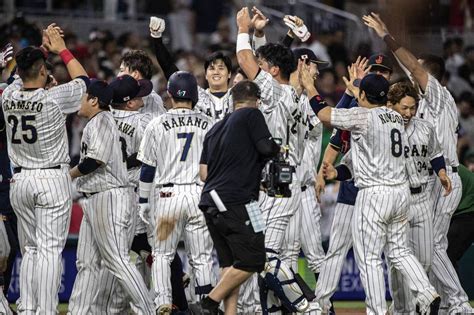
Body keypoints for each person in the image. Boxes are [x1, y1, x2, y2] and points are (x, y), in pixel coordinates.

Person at [303, 65, 441, 314]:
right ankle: (427, 292)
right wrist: (339, 172)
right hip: (400, 193)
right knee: (399, 250)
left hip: (374, 194)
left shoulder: (362, 116)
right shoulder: (397, 118)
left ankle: (376, 311)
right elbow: (365, 150)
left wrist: (310, 87)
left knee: (369, 259)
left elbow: (324, 114)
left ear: (363, 97)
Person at [363, 12, 473, 314]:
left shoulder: (437, 95)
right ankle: (419, 303)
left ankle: (458, 303)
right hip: (424, 182)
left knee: (433, 246)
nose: (412, 73)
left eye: (419, 71)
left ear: (431, 76)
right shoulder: (418, 106)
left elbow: (412, 65)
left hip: (443, 177)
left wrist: (386, 34)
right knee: (414, 249)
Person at [2, 25, 89, 314]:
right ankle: (45, 310)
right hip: (51, 178)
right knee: (50, 251)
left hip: (21, 179)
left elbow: (18, 74)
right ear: (43, 72)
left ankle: (27, 308)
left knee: (30, 251)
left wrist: (39, 49)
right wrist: (60, 48)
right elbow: (84, 82)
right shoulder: (52, 98)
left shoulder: (7, 96)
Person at [236, 7, 312, 313]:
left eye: (264, 65)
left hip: (276, 188)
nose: (259, 67)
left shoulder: (274, 90)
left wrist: (242, 29)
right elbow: (265, 62)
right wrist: (259, 34)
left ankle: (308, 307)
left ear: (274, 71)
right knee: (260, 255)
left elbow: (245, 60)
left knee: (266, 257)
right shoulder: (291, 93)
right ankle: (273, 309)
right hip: (269, 186)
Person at [67, 80, 154, 315]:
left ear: (94, 100)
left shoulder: (103, 120)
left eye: (84, 96)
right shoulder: (97, 120)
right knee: (85, 263)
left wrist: (68, 175)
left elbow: (95, 161)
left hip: (110, 196)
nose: (80, 100)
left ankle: (148, 310)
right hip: (95, 197)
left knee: (117, 261)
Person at [313, 54, 390, 312]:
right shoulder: (359, 109)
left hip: (385, 193)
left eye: (383, 72)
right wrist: (324, 173)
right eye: (374, 71)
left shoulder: (398, 108)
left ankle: (403, 305)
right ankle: (322, 305)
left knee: (392, 254)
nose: (379, 75)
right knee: (337, 249)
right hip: (352, 190)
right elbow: (336, 138)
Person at [198, 80, 280, 315]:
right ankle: (209, 304)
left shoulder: (214, 128)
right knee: (254, 260)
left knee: (230, 263)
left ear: (234, 101)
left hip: (215, 199)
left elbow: (203, 173)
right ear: (257, 101)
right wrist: (276, 149)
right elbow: (265, 148)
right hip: (236, 200)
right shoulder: (252, 115)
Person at [137, 71, 216, 313]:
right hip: (197, 196)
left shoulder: (156, 123)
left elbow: (148, 169)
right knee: (201, 257)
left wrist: (142, 201)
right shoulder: (209, 124)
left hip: (167, 198)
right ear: (195, 95)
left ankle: (162, 303)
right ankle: (206, 305)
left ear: (169, 94)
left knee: (161, 254)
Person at [386, 81, 451, 314]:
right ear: (390, 105)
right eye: (404, 107)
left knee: (423, 260)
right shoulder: (382, 128)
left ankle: (407, 304)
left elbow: (435, 153)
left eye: (412, 108)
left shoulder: (424, 127)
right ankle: (403, 308)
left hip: (422, 197)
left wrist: (441, 172)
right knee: (398, 261)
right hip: (396, 199)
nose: (409, 113)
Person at [149, 17, 233, 120]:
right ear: (205, 74)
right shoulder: (198, 95)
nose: (216, 72)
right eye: (211, 68)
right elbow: (169, 67)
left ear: (229, 73)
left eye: (221, 68)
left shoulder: (237, 96)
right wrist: (157, 39)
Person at [117, 49, 166, 116]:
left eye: (121, 70)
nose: (118, 75)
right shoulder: (122, 94)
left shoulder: (153, 100)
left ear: (135, 74)